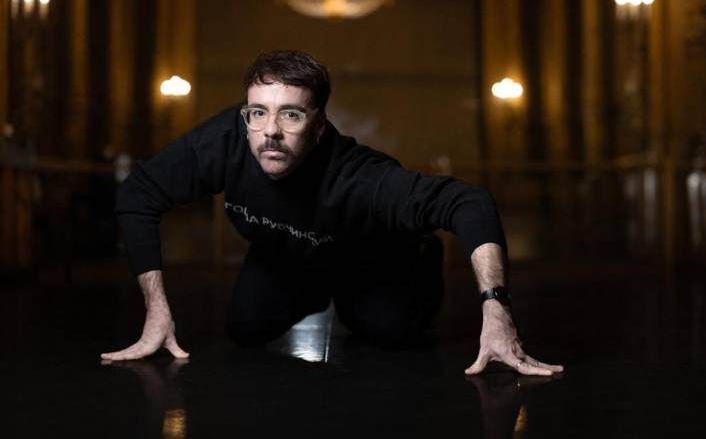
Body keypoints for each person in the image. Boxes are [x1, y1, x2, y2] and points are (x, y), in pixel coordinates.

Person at [100, 50, 562, 376]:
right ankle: (313, 289)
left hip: (371, 265)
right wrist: (156, 310)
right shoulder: (229, 139)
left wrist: (495, 309)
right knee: (243, 329)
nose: (270, 132)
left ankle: (413, 257)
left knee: (388, 332)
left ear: (318, 126)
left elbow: (471, 202)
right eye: (257, 113)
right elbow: (139, 193)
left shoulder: (358, 176)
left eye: (291, 116)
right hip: (289, 259)